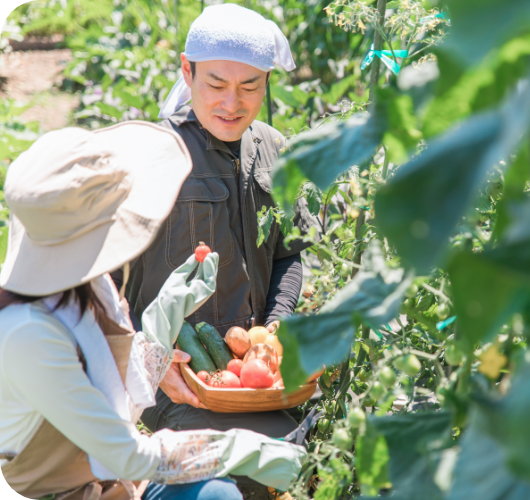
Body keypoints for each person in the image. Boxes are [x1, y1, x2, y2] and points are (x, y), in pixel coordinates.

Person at [0, 123, 306, 500]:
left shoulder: (85, 288)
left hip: (109, 482)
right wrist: (243, 449)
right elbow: (128, 454)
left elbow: (112, 395)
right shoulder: (27, 335)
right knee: (218, 495)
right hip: (68, 491)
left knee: (215, 492)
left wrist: (163, 320)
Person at [111, 6, 317, 493]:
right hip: (183, 382)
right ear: (187, 70)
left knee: (299, 462)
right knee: (234, 480)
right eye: (216, 84)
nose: (232, 102)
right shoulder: (153, 158)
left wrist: (276, 323)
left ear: (267, 82)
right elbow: (100, 282)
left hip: (257, 378)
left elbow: (290, 252)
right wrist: (147, 363)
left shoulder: (274, 149)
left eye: (250, 87)